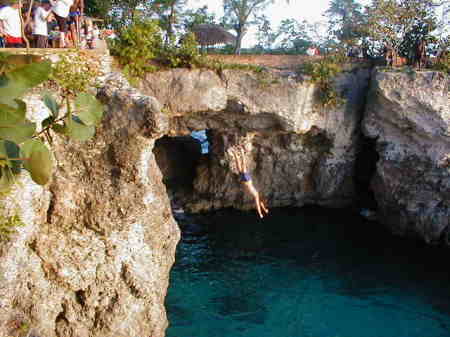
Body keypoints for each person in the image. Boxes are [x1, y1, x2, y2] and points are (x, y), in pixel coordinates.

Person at [228, 146, 269, 219]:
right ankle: (239, 151)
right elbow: (258, 205)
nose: (259, 202)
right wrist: (260, 214)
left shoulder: (257, 194)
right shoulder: (256, 196)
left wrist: (265, 210)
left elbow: (260, 203)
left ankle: (237, 152)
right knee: (241, 166)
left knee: (240, 166)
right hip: (246, 180)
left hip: (246, 180)